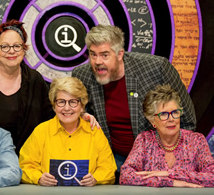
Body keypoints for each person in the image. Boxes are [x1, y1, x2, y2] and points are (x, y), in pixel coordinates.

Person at [0, 19, 99, 154]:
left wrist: (79, 115)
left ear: (23, 49)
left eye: (16, 46)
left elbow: (53, 112)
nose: (11, 51)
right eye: (4, 47)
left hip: (27, 157)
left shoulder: (35, 79)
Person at [72, 24, 196, 173]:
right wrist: (81, 116)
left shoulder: (156, 67)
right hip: (112, 160)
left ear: (119, 54)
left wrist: (173, 161)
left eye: (105, 55)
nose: (97, 62)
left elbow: (187, 121)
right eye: (93, 54)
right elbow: (75, 118)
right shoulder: (82, 75)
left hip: (158, 158)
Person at [19, 77, 116, 186]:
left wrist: (96, 178)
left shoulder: (94, 131)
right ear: (54, 106)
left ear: (82, 106)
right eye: (61, 102)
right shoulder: (41, 131)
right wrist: (39, 178)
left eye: (73, 102)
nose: (66, 108)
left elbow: (109, 168)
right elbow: (24, 166)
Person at [119, 84, 214, 187]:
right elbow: (125, 176)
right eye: (164, 114)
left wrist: (169, 173)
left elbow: (212, 177)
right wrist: (171, 182)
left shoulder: (196, 140)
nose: (171, 119)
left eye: (175, 112)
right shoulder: (144, 140)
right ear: (152, 121)